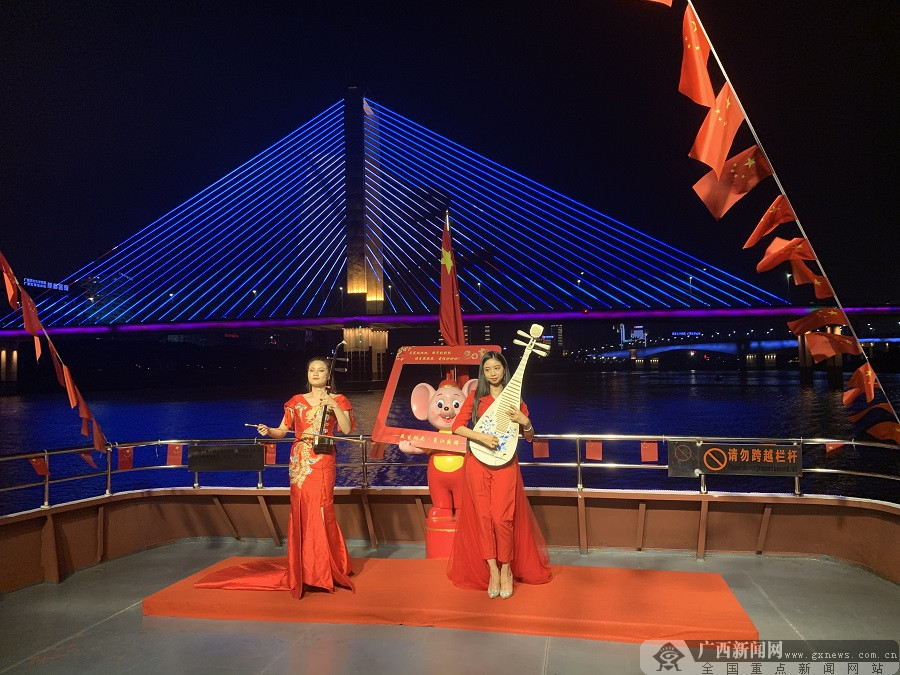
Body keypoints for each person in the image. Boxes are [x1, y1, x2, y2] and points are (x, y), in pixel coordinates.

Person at [447, 350, 551, 599]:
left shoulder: (515, 400)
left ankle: (506, 569)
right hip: (477, 463)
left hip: (505, 464)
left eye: (496, 368)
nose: (492, 373)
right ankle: (493, 570)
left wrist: (526, 422)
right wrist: (481, 437)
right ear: (483, 374)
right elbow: (456, 427)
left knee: (501, 518)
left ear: (505, 370)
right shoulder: (475, 398)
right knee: (483, 516)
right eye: (487, 370)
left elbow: (529, 437)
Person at [256, 357, 355, 599]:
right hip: (300, 461)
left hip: (323, 459)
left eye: (321, 370)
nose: (316, 373)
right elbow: (283, 430)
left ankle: (325, 568)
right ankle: (305, 569)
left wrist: (332, 404)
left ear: (328, 375)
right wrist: (269, 431)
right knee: (301, 509)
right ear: (307, 374)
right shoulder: (295, 401)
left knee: (321, 508)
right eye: (312, 370)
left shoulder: (339, 399)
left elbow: (346, 429)